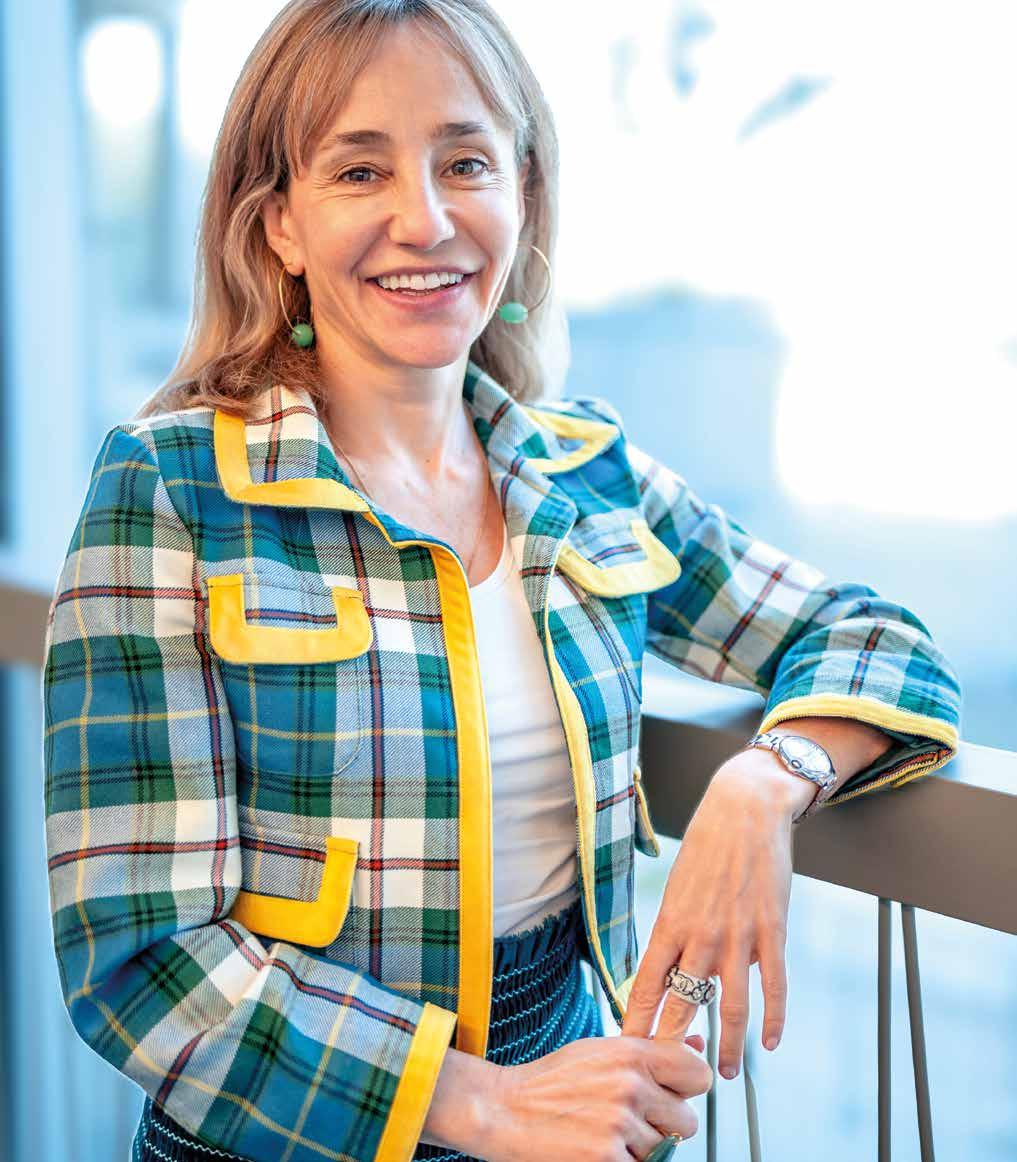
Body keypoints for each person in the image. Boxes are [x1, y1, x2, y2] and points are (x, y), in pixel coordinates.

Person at [41, 2, 962, 1160]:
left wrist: (767, 784)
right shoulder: (173, 488)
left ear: (522, 193)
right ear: (278, 223)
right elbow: (138, 954)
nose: (424, 219)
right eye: (359, 170)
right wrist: (478, 1102)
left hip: (577, 1113)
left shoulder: (585, 475)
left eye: (465, 163)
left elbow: (877, 639)